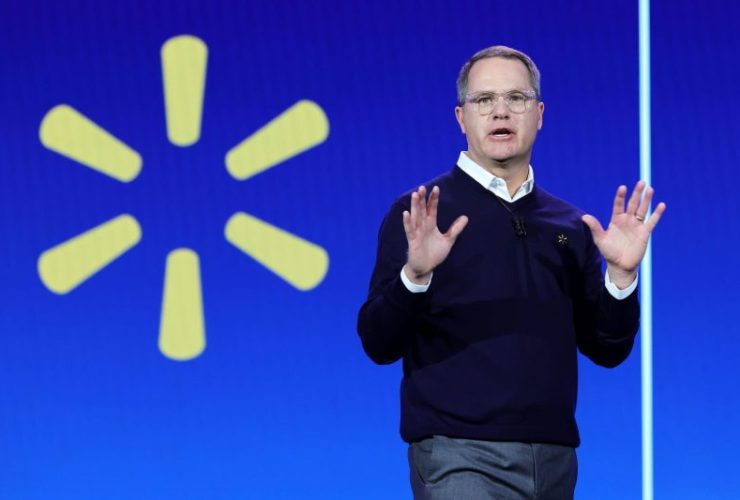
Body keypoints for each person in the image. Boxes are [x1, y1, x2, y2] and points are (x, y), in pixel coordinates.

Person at [356, 45, 665, 500]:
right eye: (484, 100)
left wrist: (621, 277)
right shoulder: (422, 214)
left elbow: (606, 349)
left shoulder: (569, 225)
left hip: (554, 460)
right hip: (458, 455)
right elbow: (378, 343)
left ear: (539, 114)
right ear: (461, 117)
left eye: (516, 98)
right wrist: (414, 277)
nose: (500, 111)